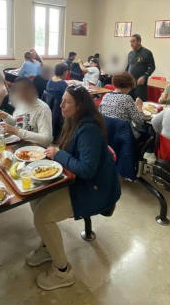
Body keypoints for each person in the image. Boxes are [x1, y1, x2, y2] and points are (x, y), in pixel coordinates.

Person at [25, 85, 121, 290]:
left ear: (80, 106)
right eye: (62, 100)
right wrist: (58, 154)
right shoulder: (73, 121)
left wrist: (58, 154)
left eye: (66, 102)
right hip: (77, 180)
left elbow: (86, 170)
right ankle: (48, 246)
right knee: (36, 197)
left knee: (42, 216)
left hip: (95, 189)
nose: (60, 105)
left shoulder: (89, 129)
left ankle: (62, 273)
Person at [0, 78, 53, 146]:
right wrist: (6, 116)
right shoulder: (21, 102)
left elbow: (46, 140)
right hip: (19, 142)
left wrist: (17, 131)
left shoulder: (42, 109)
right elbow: (18, 123)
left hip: (34, 148)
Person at [99, 72, 145, 138]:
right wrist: (139, 107)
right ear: (128, 86)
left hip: (107, 133)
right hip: (123, 135)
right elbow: (140, 121)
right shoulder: (127, 98)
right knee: (146, 133)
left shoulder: (106, 95)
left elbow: (100, 113)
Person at [126, 34, 156, 101]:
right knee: (129, 102)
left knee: (139, 103)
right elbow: (128, 67)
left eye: (133, 41)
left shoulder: (147, 53)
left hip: (140, 84)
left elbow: (152, 67)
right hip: (130, 84)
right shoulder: (130, 54)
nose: (131, 44)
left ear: (139, 41)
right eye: (130, 42)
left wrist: (144, 77)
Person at [43, 63, 69, 140]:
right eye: (67, 71)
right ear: (64, 72)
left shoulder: (50, 81)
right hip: (59, 111)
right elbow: (68, 97)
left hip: (50, 109)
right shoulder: (63, 84)